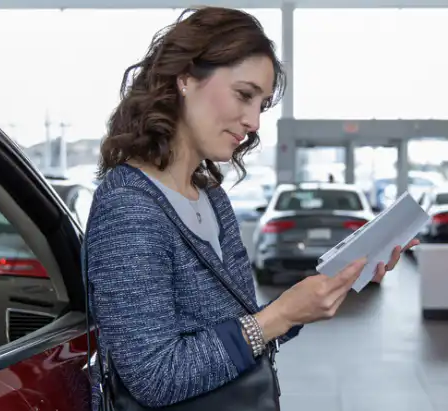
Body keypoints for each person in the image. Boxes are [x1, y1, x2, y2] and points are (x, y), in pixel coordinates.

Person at [84, 6, 418, 410]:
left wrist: (324, 292)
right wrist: (278, 316)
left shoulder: (212, 198)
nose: (254, 122)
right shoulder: (128, 206)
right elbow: (154, 376)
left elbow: (242, 328)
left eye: (261, 105)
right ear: (185, 78)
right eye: (244, 95)